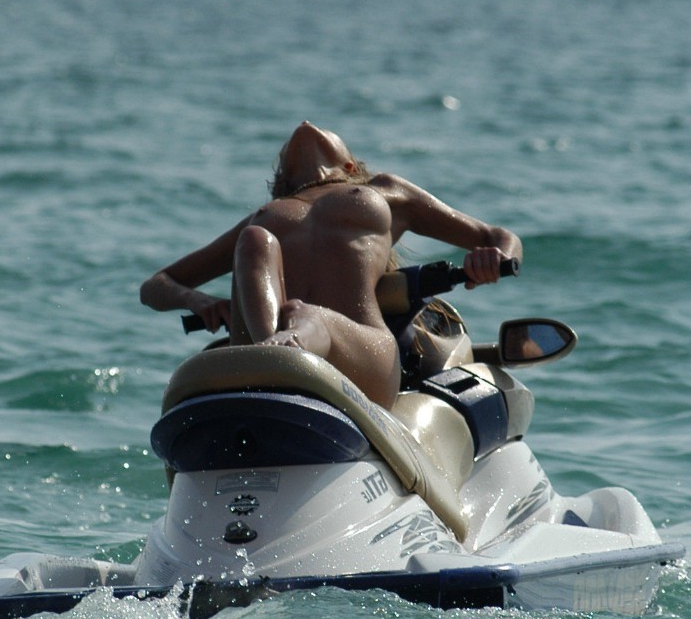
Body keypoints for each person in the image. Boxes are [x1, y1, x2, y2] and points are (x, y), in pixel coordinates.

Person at [140, 122, 523, 408]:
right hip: (264, 345)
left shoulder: (385, 191)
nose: (305, 125)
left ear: (352, 167)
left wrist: (496, 259)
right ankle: (270, 357)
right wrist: (198, 301)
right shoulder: (266, 215)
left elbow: (498, 237)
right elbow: (157, 285)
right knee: (256, 239)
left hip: (363, 354)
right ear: (280, 184)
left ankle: (281, 355)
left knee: (306, 315)